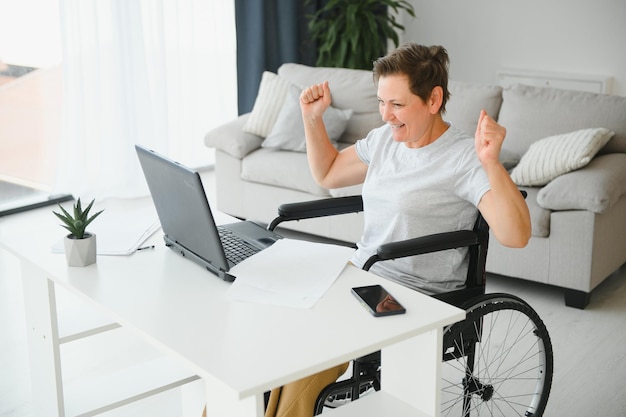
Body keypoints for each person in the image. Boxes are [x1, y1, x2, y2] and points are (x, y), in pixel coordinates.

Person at [262, 42, 531, 417]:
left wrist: (492, 163)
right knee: (272, 334)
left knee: (311, 350)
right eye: (381, 102)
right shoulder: (385, 140)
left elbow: (515, 235)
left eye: (398, 104)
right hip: (362, 277)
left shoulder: (463, 158)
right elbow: (329, 173)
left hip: (414, 297)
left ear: (434, 99)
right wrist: (312, 119)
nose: (386, 115)